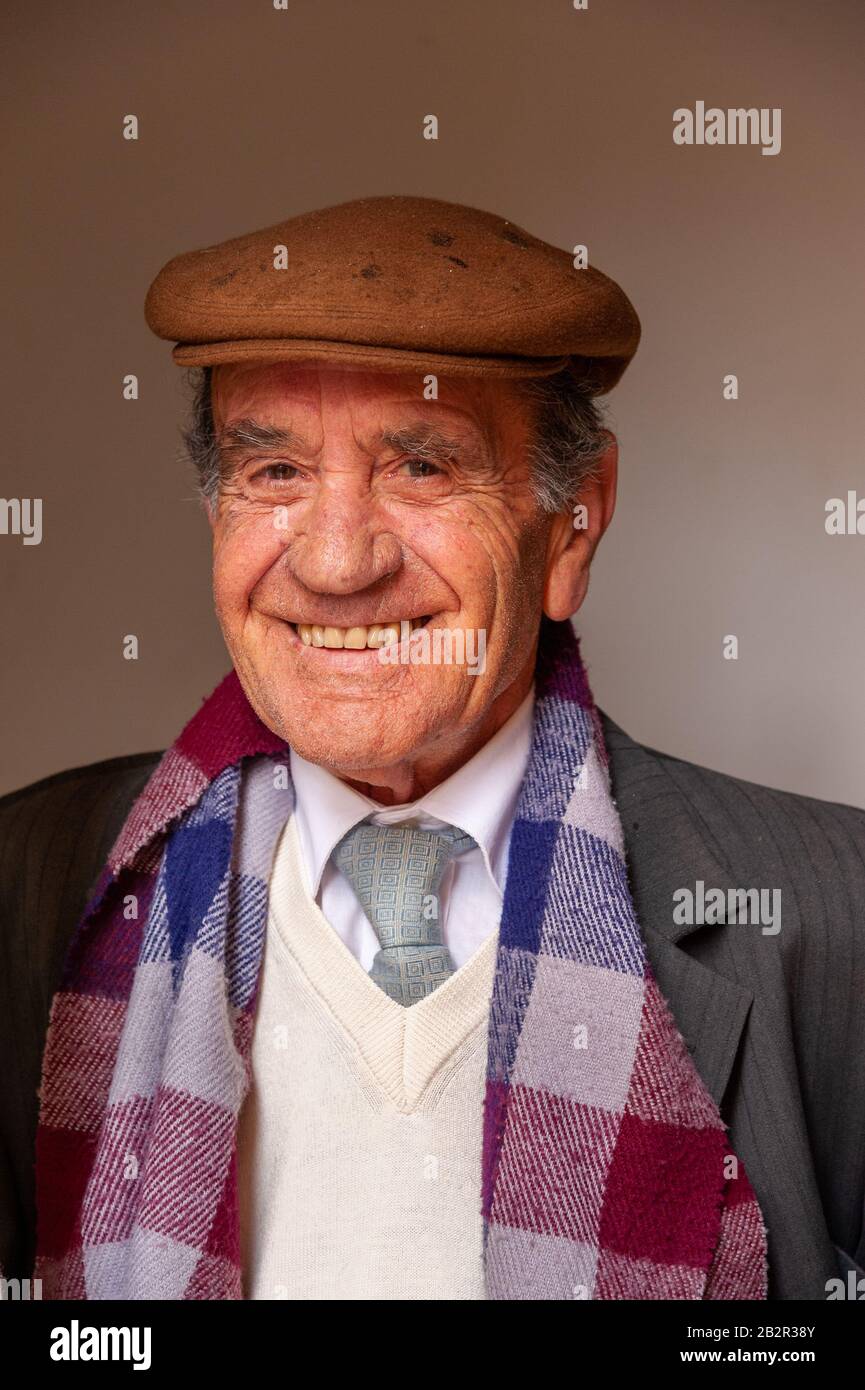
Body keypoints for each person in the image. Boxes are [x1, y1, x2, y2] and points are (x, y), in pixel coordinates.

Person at [1, 196, 862, 1301]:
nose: (335, 561)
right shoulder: (35, 889)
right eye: (274, 473)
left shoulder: (832, 913)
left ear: (573, 523)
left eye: (420, 466)